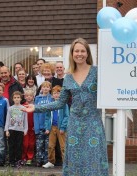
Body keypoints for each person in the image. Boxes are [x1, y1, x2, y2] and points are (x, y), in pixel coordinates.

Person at [23, 38, 109, 175]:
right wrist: (36, 107)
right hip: (74, 124)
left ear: (87, 53)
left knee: (94, 159)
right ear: (72, 53)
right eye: (76, 51)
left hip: (93, 123)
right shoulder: (68, 77)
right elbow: (59, 103)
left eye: (82, 51)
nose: (79, 54)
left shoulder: (97, 72)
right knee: (75, 160)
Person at [42, 85, 69, 169]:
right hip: (52, 127)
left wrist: (63, 127)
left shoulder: (64, 105)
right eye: (54, 93)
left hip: (61, 128)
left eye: (58, 93)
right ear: (52, 95)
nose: (56, 95)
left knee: (63, 146)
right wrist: (47, 127)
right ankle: (51, 161)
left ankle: (66, 163)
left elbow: (66, 116)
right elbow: (47, 117)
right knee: (50, 145)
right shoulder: (50, 105)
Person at [5, 91, 28, 167]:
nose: (16, 99)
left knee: (19, 146)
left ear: (21, 99)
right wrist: (7, 130)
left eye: (18, 97)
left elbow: (25, 120)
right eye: (15, 98)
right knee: (11, 146)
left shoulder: (23, 108)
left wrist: (25, 129)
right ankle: (11, 161)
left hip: (20, 129)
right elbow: (7, 119)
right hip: (11, 129)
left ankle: (18, 161)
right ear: (12, 99)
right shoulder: (10, 108)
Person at [33, 81, 53, 167]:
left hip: (48, 127)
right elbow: (35, 112)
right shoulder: (37, 98)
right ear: (41, 88)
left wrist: (49, 126)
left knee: (47, 145)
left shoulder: (51, 99)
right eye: (43, 87)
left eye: (47, 87)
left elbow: (52, 113)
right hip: (39, 126)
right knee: (39, 144)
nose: (45, 88)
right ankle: (38, 160)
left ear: (50, 88)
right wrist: (36, 126)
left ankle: (46, 160)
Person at [21, 90, 36, 166]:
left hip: (32, 127)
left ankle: (30, 158)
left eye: (30, 95)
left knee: (31, 143)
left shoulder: (35, 106)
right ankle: (23, 157)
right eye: (27, 96)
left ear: (33, 97)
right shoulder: (22, 106)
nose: (29, 97)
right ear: (24, 97)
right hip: (24, 128)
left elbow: (37, 118)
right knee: (25, 143)